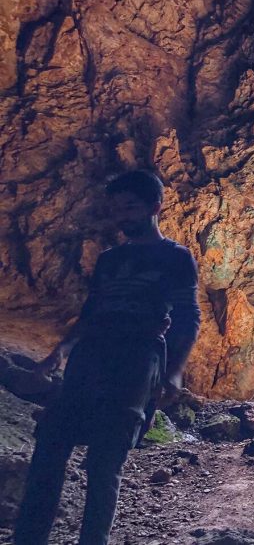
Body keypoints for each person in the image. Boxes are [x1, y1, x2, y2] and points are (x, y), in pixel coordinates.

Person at [14, 170, 201, 545]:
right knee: (50, 443)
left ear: (155, 206)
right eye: (116, 209)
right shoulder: (109, 260)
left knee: (105, 460)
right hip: (89, 360)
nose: (122, 216)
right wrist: (58, 353)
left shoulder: (176, 257)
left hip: (135, 362)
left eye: (130, 207)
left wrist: (175, 372)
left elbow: (188, 316)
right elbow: (90, 314)